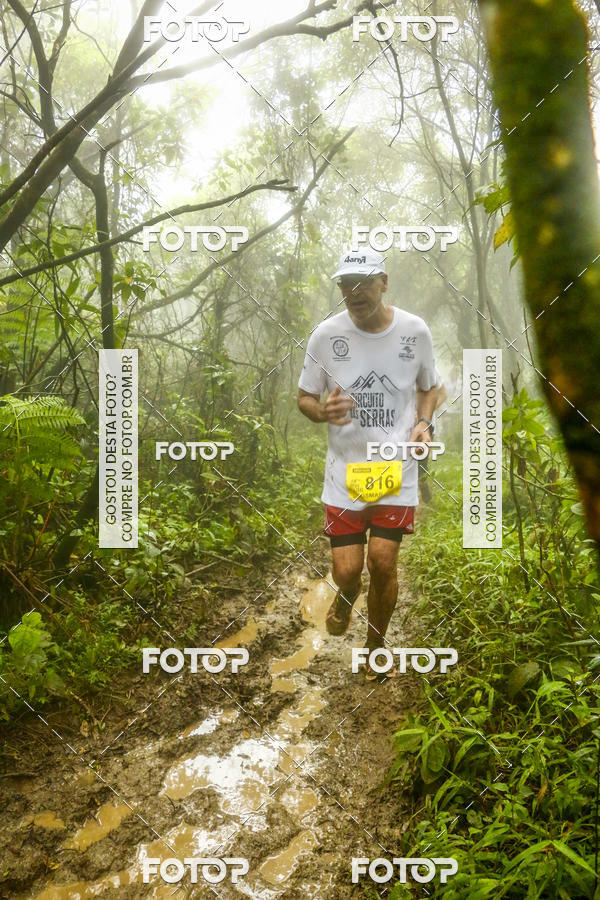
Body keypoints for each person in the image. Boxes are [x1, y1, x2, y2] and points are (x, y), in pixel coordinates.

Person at [297, 248, 443, 680]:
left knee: (382, 562)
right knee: (347, 571)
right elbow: (304, 398)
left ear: (384, 281)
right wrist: (322, 411)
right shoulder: (325, 335)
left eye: (362, 282)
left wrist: (422, 423)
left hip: (395, 470)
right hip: (344, 474)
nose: (354, 292)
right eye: (345, 284)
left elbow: (429, 388)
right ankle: (346, 594)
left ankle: (375, 646)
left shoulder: (414, 331)